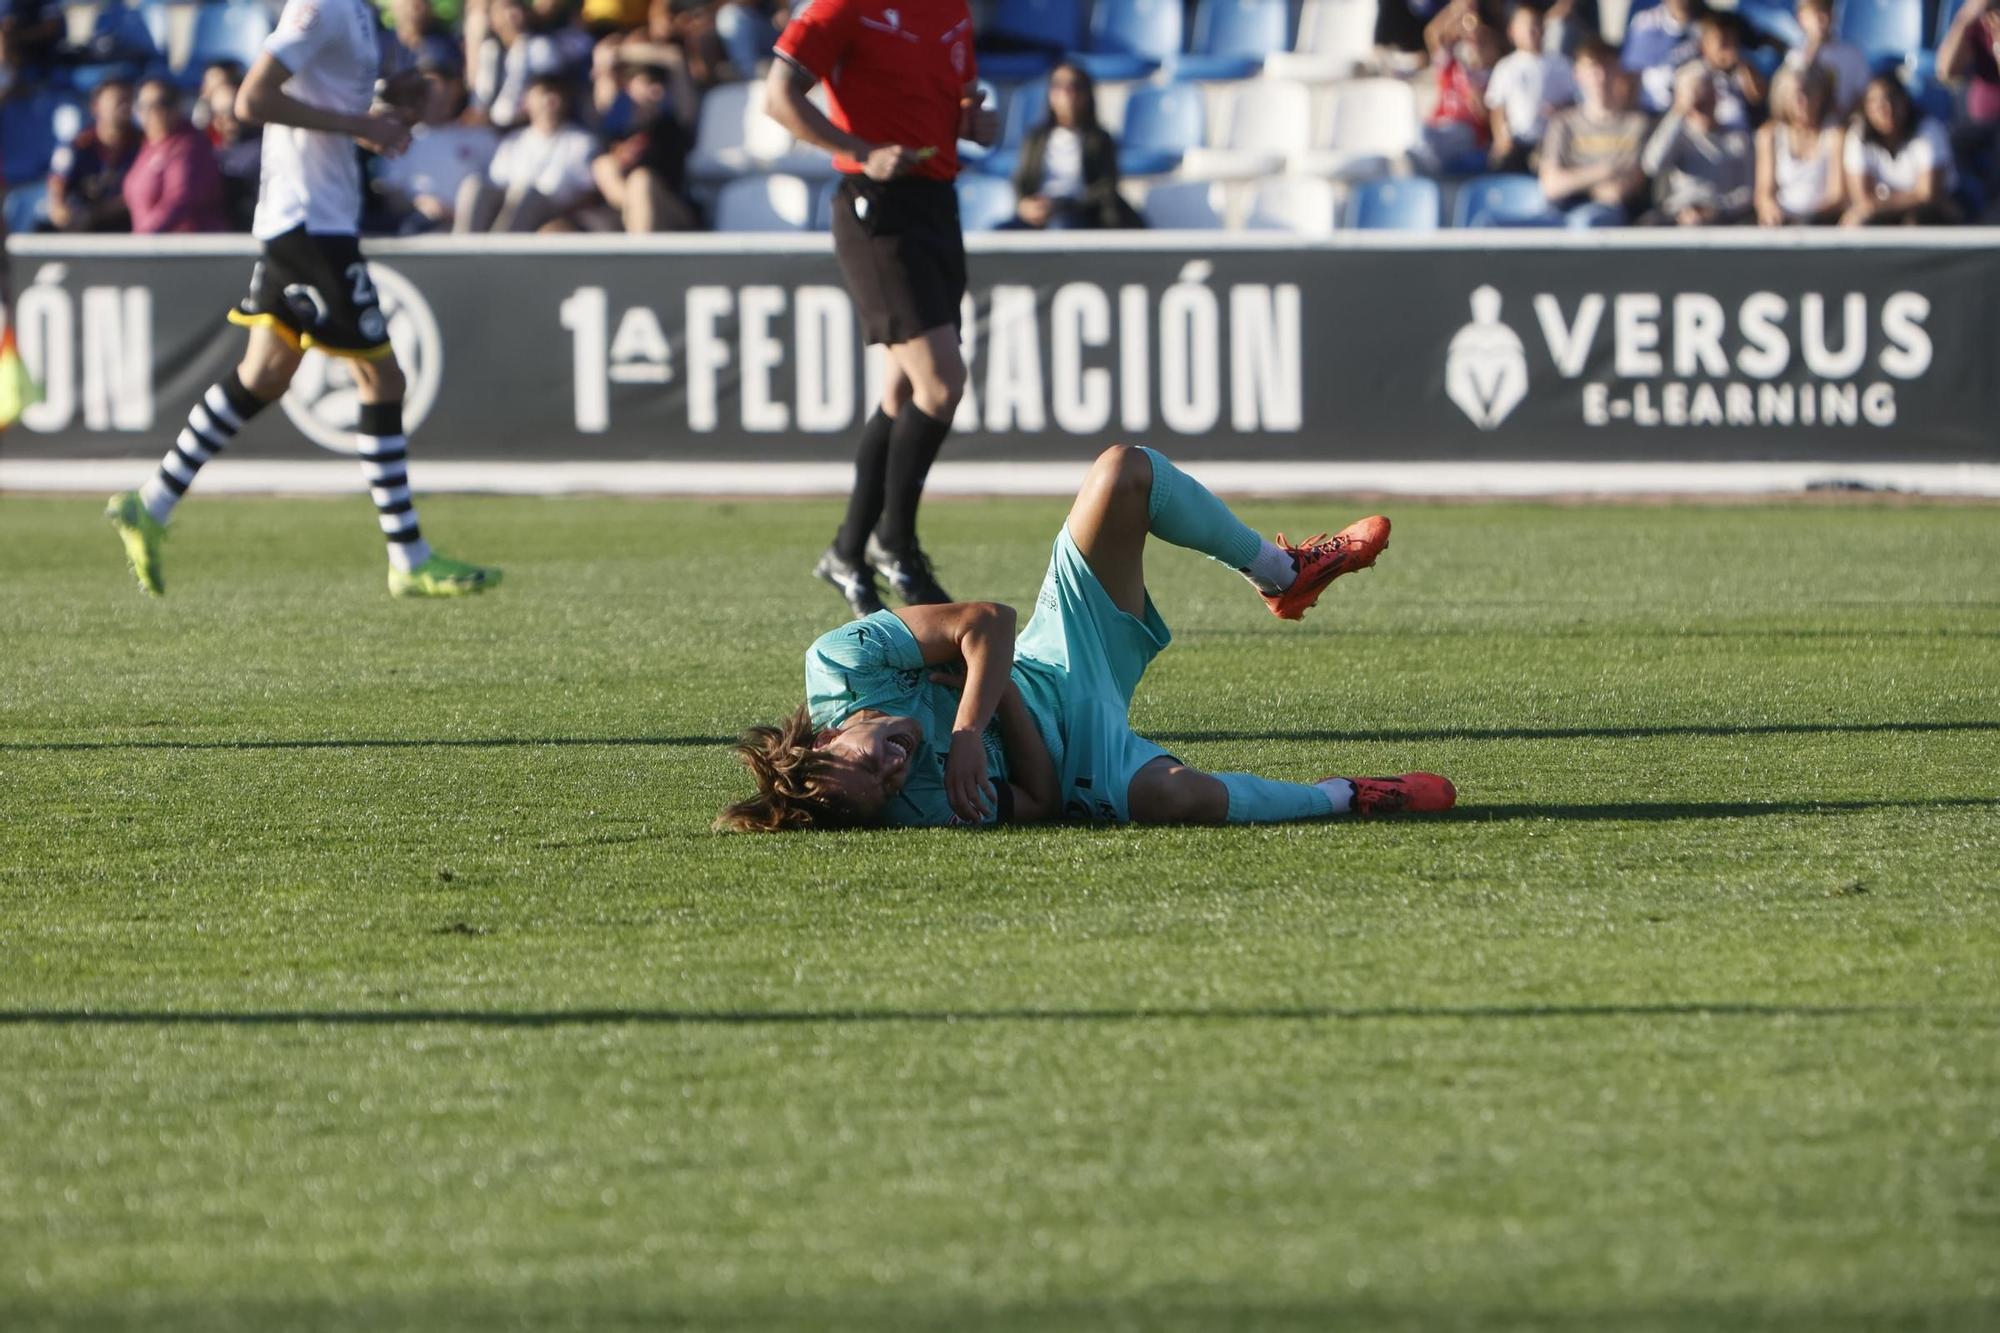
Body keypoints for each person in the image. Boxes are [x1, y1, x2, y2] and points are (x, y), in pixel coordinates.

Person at [716, 446, 1455, 832]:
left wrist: (969, 728)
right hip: (1076, 761)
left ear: (822, 741)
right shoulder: (910, 805)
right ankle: (1348, 796)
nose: (895, 773)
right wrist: (995, 693)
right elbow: (1038, 801)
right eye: (885, 791)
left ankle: (1281, 571)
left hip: (1057, 653)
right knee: (1183, 800)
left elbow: (991, 622)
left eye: (869, 766)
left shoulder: (840, 662)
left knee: (1122, 471)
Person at [104, 0, 501, 598]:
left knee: (263, 374)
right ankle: (409, 556)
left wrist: (384, 103)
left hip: (313, 217)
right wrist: (364, 124)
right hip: (310, 224)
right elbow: (252, 100)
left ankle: (151, 502)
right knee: (382, 379)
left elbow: (323, 99)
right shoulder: (322, 6)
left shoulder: (363, 14)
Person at [764, 0, 1000, 618]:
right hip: (876, 207)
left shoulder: (951, 12)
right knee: (942, 383)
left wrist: (977, 122)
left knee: (902, 393)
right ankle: (896, 545)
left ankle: (847, 551)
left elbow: (965, 102)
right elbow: (779, 97)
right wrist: (860, 149)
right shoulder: (843, 7)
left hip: (937, 205)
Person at [1004, 62, 1139, 230]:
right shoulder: (1036, 138)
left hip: (1080, 213)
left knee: (1061, 226)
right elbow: (1021, 180)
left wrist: (1061, 205)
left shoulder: (1099, 139)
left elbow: (1105, 188)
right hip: (1039, 211)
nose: (1067, 92)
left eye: (1075, 86)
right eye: (1058, 85)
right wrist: (1024, 204)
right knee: (999, 233)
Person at [455, 75, 598, 231]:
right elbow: (497, 184)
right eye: (542, 94)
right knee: (475, 185)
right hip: (509, 211)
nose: (549, 100)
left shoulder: (582, 142)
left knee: (528, 195)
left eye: (555, 93)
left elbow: (587, 193)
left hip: (557, 214)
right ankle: (462, 248)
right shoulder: (512, 141)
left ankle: (500, 251)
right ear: (527, 102)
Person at [376, 54, 498, 231]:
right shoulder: (399, 139)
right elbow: (393, 194)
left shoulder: (481, 137)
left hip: (476, 230)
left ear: (455, 88)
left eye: (433, 83)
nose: (427, 91)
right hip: (422, 227)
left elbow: (496, 190)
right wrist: (422, 203)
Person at [1541, 38, 1652, 226]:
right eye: (1592, 69)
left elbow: (1620, 190)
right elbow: (1550, 185)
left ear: (1619, 72)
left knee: (1585, 222)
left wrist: (1574, 181)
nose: (1600, 77)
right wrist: (1605, 171)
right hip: (1560, 208)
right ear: (1577, 74)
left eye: (1607, 67)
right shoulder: (1563, 123)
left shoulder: (1637, 124)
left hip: (1608, 215)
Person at [1640, 61, 1754, 224]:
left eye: (1707, 94)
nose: (1701, 103)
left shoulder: (1738, 138)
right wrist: (1679, 112)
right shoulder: (1678, 137)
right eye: (1695, 96)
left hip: (1724, 218)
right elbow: (1652, 165)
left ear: (1716, 97)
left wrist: (1717, 209)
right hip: (1679, 215)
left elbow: (1748, 191)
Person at [590, 58, 697, 231]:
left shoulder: (672, 125)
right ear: (628, 86)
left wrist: (624, 51)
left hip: (673, 208)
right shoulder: (615, 127)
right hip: (623, 208)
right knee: (603, 165)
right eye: (648, 82)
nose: (657, 89)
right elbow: (604, 79)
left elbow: (672, 56)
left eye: (661, 83)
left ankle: (639, 254)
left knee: (642, 180)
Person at [1841, 73, 1962, 225]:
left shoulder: (1929, 131)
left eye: (1892, 98)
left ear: (1905, 100)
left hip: (1933, 208)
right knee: (1856, 222)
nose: (1886, 108)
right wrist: (1874, 207)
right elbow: (1862, 198)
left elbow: (1928, 194)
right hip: (1882, 211)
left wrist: (1877, 204)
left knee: (1915, 221)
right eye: (1875, 102)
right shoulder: (1858, 135)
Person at [122, 79, 229, 234]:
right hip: (150, 248)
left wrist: (144, 236)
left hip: (185, 249)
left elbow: (179, 199)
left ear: (176, 107)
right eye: (144, 106)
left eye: (162, 103)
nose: (153, 111)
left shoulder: (188, 146)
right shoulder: (148, 147)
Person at [1486, 3, 1575, 174]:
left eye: (1536, 24)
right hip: (1517, 140)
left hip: (1551, 140)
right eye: (1525, 26)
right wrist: (1501, 138)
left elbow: (1575, 102)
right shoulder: (1505, 67)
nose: (1531, 31)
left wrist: (1561, 111)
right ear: (1512, 31)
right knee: (1500, 164)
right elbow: (1497, 107)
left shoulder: (1561, 64)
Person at [1415, 0, 1502, 174]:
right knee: (1421, 133)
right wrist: (1457, 9)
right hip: (1440, 125)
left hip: (1469, 133)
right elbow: (1433, 34)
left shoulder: (1495, 76)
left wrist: (1476, 96)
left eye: (1482, 41)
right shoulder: (1452, 65)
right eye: (1470, 40)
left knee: (1430, 138)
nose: (1474, 44)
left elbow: (1487, 117)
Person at [1755, 62, 1845, 225]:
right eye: (1796, 94)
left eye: (1809, 93)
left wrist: (1808, 219)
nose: (1803, 101)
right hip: (1781, 223)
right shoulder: (1769, 135)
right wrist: (1770, 210)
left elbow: (1837, 195)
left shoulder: (1835, 135)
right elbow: (1764, 191)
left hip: (1822, 223)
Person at [48, 79, 140, 234]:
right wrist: (60, 209)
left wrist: (102, 211)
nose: (124, 107)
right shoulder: (79, 145)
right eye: (116, 100)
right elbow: (58, 183)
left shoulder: (142, 143)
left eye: (128, 100)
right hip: (83, 226)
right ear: (96, 107)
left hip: (126, 224)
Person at [203, 65, 263, 230]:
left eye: (233, 111)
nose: (228, 119)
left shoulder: (261, 149)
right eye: (221, 113)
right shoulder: (203, 147)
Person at [1785, 0, 1870, 115]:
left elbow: (1864, 97)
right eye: (1816, 13)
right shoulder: (1794, 57)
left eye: (1827, 11)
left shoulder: (1853, 55)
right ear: (1801, 18)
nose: (1823, 19)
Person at [1622, 0, 1702, 115]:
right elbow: (1632, 73)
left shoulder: (1706, 27)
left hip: (1689, 114)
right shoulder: (1645, 22)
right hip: (1648, 110)